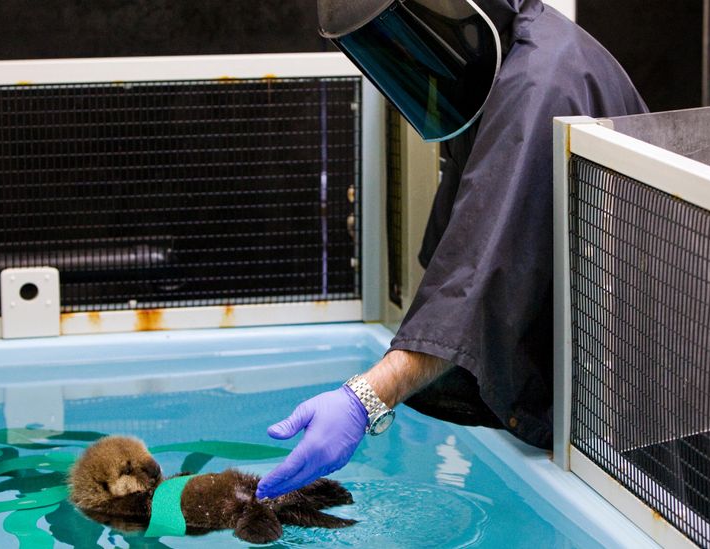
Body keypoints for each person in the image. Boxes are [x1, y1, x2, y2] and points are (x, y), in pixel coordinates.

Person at [255, 0, 647, 500]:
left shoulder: (539, 85)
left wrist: (365, 399)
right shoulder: (501, 71)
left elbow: (472, 284)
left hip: (632, 396)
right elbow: (457, 252)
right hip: (592, 373)